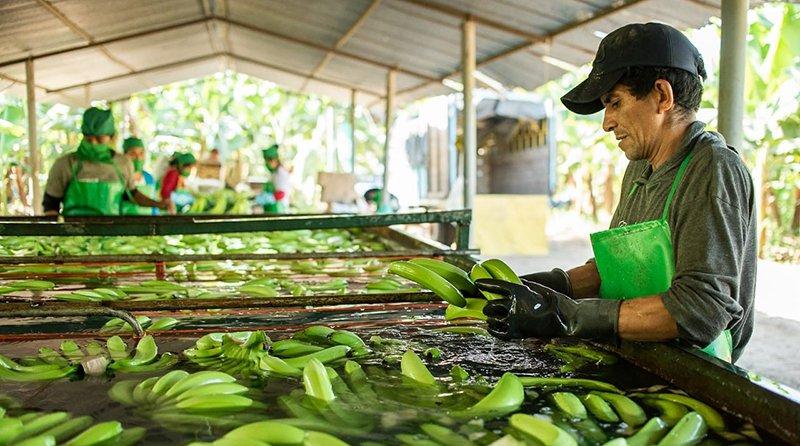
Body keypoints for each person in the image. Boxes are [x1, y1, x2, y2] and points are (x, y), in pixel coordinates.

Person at [477, 23, 756, 363]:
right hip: (638, 357)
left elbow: (701, 309)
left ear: (662, 96)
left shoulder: (712, 169)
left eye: (615, 102)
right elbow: (618, 269)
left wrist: (569, 316)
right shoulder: (640, 168)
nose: (606, 122)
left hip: (691, 370)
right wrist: (550, 287)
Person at [43, 107, 169, 216]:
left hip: (111, 231)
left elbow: (131, 195)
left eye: (99, 139)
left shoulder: (123, 163)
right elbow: (50, 204)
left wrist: (159, 204)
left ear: (111, 137)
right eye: (88, 139)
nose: (93, 143)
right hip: (74, 233)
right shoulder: (65, 164)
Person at [120, 137, 158, 215]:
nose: (138, 158)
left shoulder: (149, 178)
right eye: (133, 154)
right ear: (124, 156)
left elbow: (153, 206)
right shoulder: (119, 177)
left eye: (141, 153)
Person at [257, 144, 291, 213]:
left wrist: (268, 198)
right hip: (271, 207)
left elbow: (281, 194)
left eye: (268, 161)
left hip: (278, 207)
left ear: (275, 160)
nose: (267, 164)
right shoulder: (274, 173)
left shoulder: (281, 173)